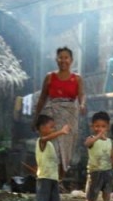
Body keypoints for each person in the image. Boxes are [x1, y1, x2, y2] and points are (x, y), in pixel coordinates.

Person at [32, 46, 85, 175]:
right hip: (52, 115)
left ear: (71, 60)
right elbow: (43, 97)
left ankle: (59, 180)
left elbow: (81, 95)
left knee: (65, 149)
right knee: (52, 146)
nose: (63, 60)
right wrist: (36, 118)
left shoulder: (77, 78)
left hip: (70, 116)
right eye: (60, 57)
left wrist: (82, 104)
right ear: (56, 59)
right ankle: (47, 176)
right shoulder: (50, 77)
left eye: (66, 57)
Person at [33, 113, 70, 201]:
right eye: (51, 127)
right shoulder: (41, 141)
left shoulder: (50, 144)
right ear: (42, 128)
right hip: (44, 177)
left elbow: (54, 161)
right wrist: (61, 132)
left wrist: (59, 174)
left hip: (52, 177)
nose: (53, 129)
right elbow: (46, 138)